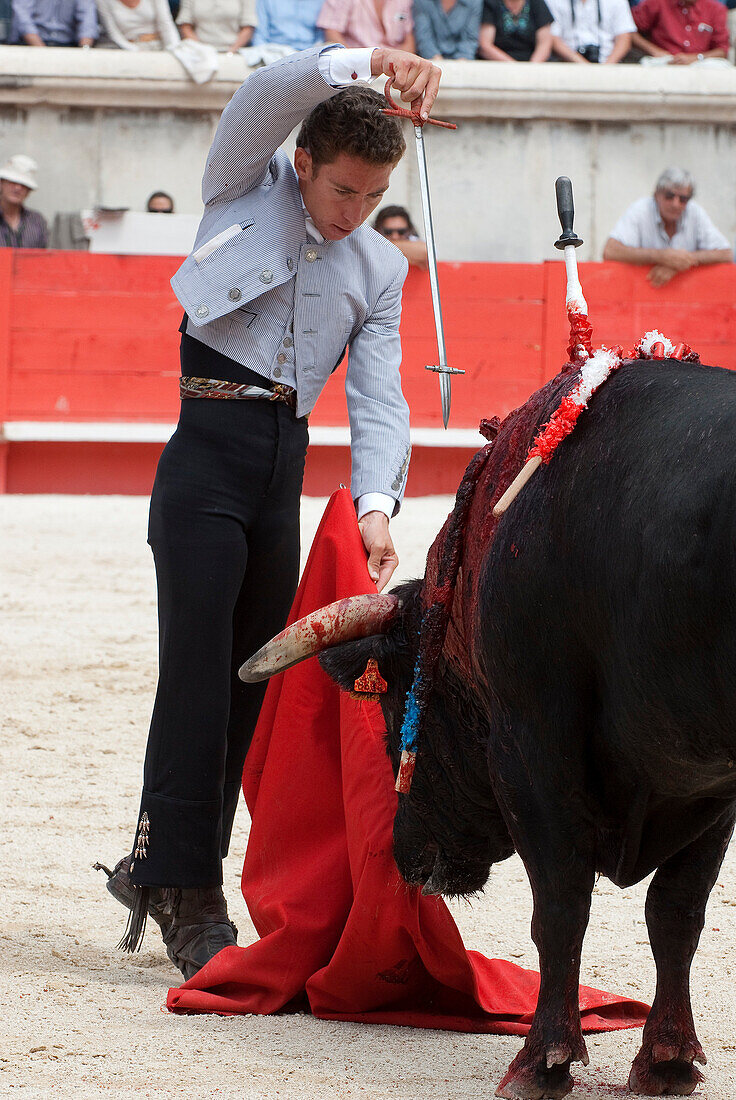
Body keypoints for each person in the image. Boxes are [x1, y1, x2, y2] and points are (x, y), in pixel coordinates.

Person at [101, 45, 441, 982]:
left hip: (277, 479)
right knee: (199, 676)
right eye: (342, 190)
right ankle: (183, 882)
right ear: (303, 164)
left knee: (251, 682)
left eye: (372, 197)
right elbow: (265, 92)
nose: (353, 213)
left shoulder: (378, 268)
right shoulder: (241, 184)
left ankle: (158, 861)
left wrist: (376, 506)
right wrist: (364, 60)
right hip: (204, 461)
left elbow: (378, 399)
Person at [603, 167, 731, 287]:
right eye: (669, 196)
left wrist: (679, 262)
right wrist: (661, 256)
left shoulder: (694, 212)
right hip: (641, 291)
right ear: (656, 195)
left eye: (683, 199)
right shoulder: (641, 209)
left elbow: (726, 254)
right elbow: (610, 250)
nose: (676, 204)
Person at [631, 0, 729, 62]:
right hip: (663, 62)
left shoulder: (716, 9)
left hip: (701, 65)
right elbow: (628, 31)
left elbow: (722, 50)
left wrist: (696, 58)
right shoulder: (657, 2)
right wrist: (654, 50)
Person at [546, 0, 635, 61]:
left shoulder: (616, 1)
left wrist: (606, 68)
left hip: (608, 62)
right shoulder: (554, 1)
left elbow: (624, 39)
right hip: (568, 63)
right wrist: (583, 66)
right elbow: (553, 38)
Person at [317, 0, 415, 51]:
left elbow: (408, 38)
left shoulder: (404, 1)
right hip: (358, 68)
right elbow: (332, 34)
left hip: (394, 69)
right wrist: (356, 63)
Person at [478, 0, 553, 61]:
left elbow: (544, 44)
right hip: (498, 64)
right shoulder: (491, 3)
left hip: (532, 63)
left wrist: (532, 67)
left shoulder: (537, 3)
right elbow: (485, 45)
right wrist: (514, 67)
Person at [0, 154, 48, 249]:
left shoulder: (37, 221)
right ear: (1, 183)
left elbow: (44, 259)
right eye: (12, 182)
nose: (18, 188)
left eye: (23, 184)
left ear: (29, 191)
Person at [95, 0, 179, 49]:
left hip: (159, 45)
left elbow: (166, 24)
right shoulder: (102, 1)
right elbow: (113, 33)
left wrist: (173, 49)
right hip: (127, 49)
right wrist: (136, 52)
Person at [413, 0, 483, 59]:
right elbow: (424, 37)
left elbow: (470, 38)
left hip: (463, 62)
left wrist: (461, 64)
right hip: (430, 61)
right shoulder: (422, 1)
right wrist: (438, 62)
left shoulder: (474, 2)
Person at [176, 0, 256, 52]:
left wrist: (231, 52)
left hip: (234, 52)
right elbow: (185, 25)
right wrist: (202, 51)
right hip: (199, 52)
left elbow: (248, 27)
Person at [10, 0, 97, 43]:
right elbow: (22, 18)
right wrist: (42, 52)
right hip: (31, 45)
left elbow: (88, 23)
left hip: (67, 46)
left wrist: (84, 50)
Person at [251, 0, 323, 49]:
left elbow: (320, 37)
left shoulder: (320, 2)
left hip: (307, 55)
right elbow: (259, 35)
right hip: (274, 52)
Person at [373, 204, 428, 268]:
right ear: (377, 230)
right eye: (388, 232)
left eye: (401, 232)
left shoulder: (413, 239)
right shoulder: (368, 241)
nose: (395, 236)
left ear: (409, 230)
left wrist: (381, 248)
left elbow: (426, 252)